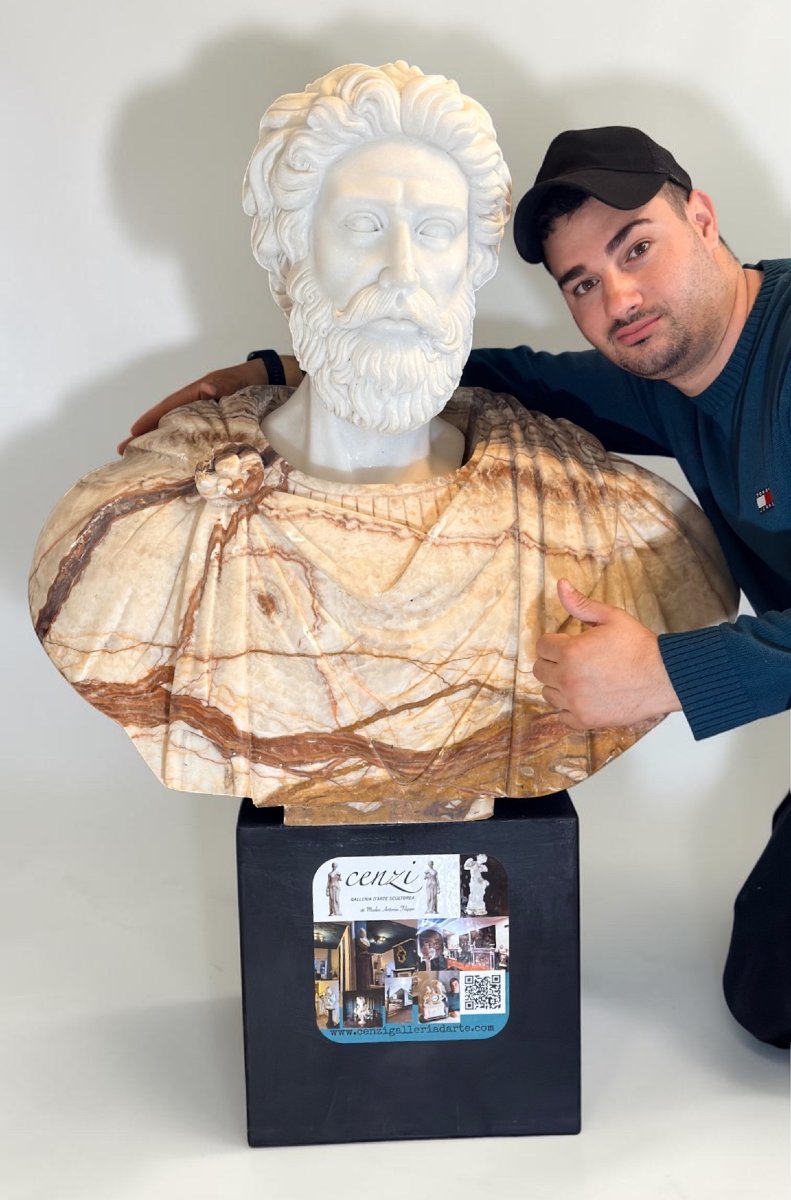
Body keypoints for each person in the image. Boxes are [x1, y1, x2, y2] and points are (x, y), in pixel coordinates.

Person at [124, 123, 790, 1048]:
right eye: (583, 284)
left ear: (703, 218)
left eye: (637, 247)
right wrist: (291, 369)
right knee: (769, 997)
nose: (619, 297)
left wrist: (672, 674)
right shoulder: (671, 369)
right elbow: (503, 376)